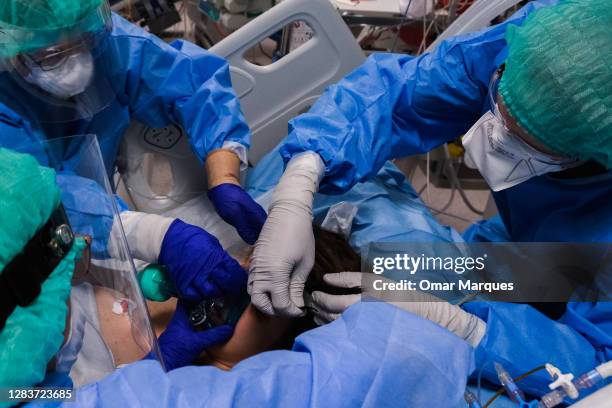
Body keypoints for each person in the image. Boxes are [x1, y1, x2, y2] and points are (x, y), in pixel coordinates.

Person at [248, 0, 612, 397]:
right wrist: (303, 175)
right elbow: (395, 96)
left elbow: (600, 369)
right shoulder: (554, 43)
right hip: (513, 252)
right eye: (498, 112)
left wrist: (461, 326)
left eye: (521, 144)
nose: (488, 141)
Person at [0, 148, 476, 408]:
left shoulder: (195, 386)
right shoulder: (117, 272)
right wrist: (140, 233)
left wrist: (151, 363)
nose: (232, 282)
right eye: (248, 261)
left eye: (260, 300)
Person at [0, 0, 266, 299]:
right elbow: (29, 194)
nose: (76, 61)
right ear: (10, 47)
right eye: (52, 55)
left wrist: (225, 176)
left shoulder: (105, 37)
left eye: (83, 40)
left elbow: (194, 85)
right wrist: (156, 238)